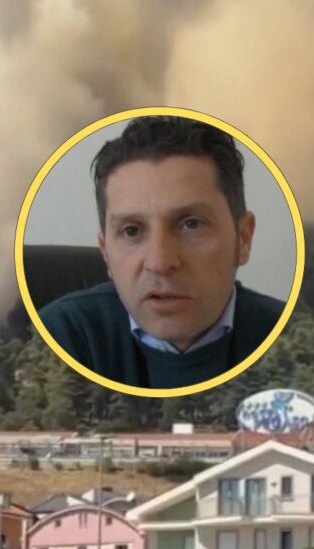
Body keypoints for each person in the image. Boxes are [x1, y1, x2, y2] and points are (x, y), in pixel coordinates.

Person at [39, 116, 285, 389]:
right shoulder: (62, 336)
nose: (159, 262)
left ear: (243, 239)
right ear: (105, 253)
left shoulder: (295, 338)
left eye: (191, 224)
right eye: (131, 231)